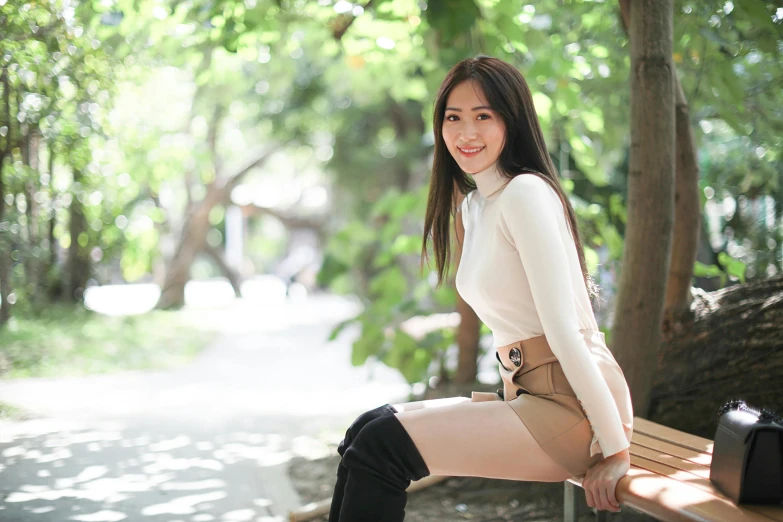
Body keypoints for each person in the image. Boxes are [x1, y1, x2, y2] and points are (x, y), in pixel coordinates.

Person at [327, 55, 634, 522]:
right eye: (453, 118)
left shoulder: (525, 193)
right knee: (364, 432)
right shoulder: (473, 207)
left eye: (483, 116)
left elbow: (566, 332)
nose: (465, 133)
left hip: (575, 411)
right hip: (529, 399)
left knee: (380, 447)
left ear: (512, 121)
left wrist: (614, 449)